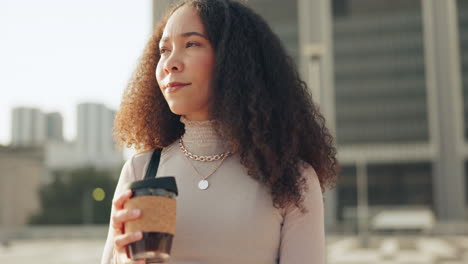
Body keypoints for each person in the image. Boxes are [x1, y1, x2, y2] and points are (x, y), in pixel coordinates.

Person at [101, 0, 338, 263]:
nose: (170, 63)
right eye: (164, 50)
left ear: (233, 59)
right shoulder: (141, 171)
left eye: (191, 44)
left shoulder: (294, 179)